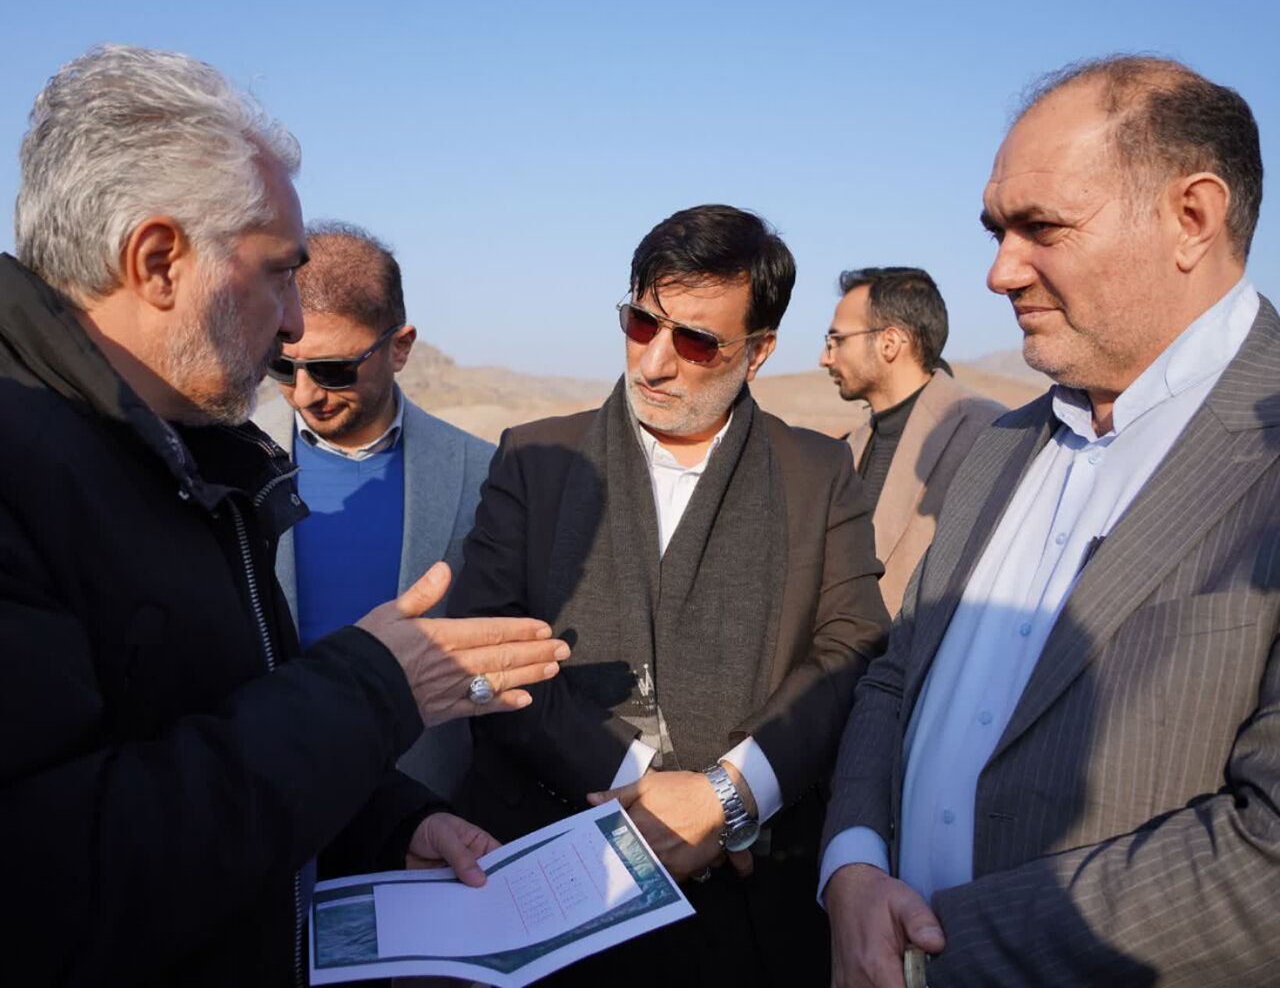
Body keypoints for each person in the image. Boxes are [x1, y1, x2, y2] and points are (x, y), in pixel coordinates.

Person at [0, 45, 568, 987]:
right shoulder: (21, 469)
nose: (296, 324)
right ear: (157, 262)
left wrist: (388, 822)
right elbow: (50, 878)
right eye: (276, 273)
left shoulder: (184, 456)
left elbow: (212, 730)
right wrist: (373, 687)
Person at [822, 55, 1278, 986]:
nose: (999, 272)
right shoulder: (1003, 444)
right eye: (998, 230)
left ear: (1192, 218)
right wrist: (854, 865)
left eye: (1042, 228)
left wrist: (935, 957)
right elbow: (896, 676)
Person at [448, 203, 890, 984]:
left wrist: (728, 796)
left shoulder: (817, 474)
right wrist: (645, 790)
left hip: (754, 909)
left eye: (695, 342)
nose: (653, 364)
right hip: (555, 882)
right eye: (641, 323)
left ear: (759, 351)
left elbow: (852, 648)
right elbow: (488, 648)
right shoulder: (535, 459)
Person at [255, 222, 495, 798]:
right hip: (266, 790)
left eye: (334, 369)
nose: (305, 394)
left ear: (400, 347)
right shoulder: (224, 462)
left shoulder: (485, 472)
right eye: (283, 367)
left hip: (429, 803)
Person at [820, 267, 1004, 615]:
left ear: (889, 343)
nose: (825, 358)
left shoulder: (988, 432)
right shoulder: (849, 446)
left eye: (837, 341)